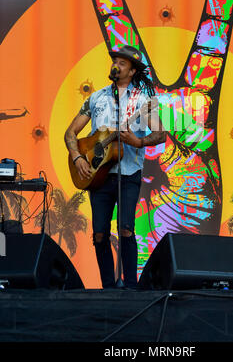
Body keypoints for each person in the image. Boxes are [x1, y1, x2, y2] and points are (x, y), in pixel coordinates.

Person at [64, 45, 166, 289]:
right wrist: (78, 158)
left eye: (122, 63)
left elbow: (161, 134)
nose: (116, 65)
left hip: (128, 174)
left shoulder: (143, 101)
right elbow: (70, 133)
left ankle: (131, 287)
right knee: (99, 233)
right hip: (97, 176)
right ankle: (107, 287)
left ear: (132, 71)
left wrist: (138, 141)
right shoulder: (96, 97)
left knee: (126, 229)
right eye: (115, 61)